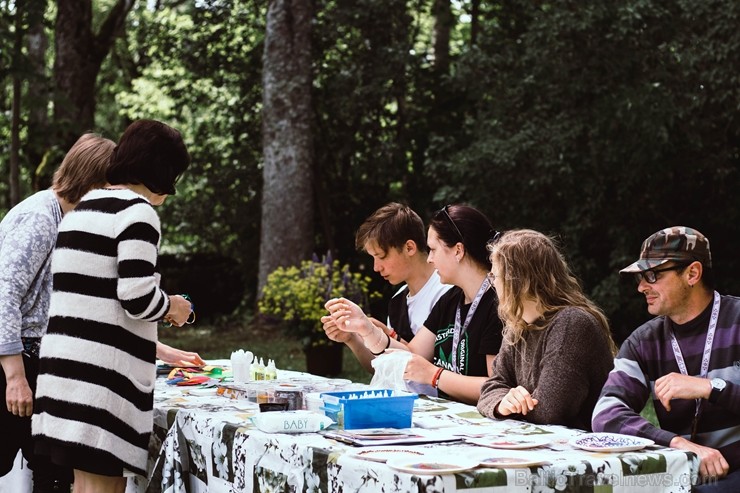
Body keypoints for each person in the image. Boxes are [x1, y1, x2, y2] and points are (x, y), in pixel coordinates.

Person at [31, 120, 194, 493]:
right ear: (161, 170)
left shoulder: (82, 209)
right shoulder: (137, 214)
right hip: (101, 384)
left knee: (84, 487)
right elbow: (137, 298)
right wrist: (174, 306)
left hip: (63, 376)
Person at [592, 227, 740, 491]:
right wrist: (676, 444)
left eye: (652, 275)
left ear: (692, 273)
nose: (641, 287)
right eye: (639, 277)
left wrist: (710, 388)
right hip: (684, 474)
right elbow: (605, 414)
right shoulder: (644, 341)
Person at [325, 204, 503, 405]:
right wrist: (366, 331)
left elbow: (497, 387)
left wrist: (434, 375)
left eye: (433, 250)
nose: (430, 258)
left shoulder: (497, 303)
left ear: (458, 251)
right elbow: (410, 355)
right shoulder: (452, 299)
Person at [476, 230, 617, 430]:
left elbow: (550, 411)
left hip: (588, 452)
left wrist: (513, 403)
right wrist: (503, 402)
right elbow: (490, 388)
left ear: (520, 282)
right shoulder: (519, 323)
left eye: (495, 276)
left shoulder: (571, 324)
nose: (493, 283)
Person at [323, 203, 450, 372]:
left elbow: (416, 363)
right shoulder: (397, 301)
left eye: (381, 256)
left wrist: (378, 333)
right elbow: (385, 368)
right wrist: (352, 338)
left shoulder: (447, 292)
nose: (376, 267)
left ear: (409, 247)